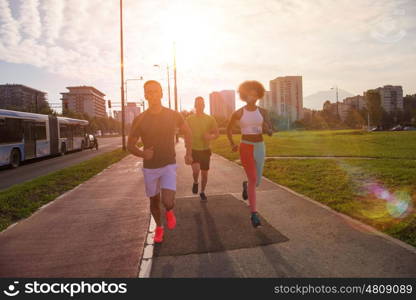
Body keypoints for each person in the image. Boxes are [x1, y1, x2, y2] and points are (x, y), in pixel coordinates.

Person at [127, 80, 193, 243]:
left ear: (161, 93)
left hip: (168, 164)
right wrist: (143, 154)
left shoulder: (173, 114)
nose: (152, 94)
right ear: (145, 95)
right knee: (154, 201)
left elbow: (188, 132)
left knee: (167, 201)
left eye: (155, 91)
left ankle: (169, 211)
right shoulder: (140, 119)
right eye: (149, 92)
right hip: (150, 167)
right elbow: (130, 145)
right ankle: (159, 227)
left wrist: (189, 153)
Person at [226, 80, 273, 228]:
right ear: (244, 95)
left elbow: (268, 127)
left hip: (260, 146)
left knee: (256, 182)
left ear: (258, 95)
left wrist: (269, 130)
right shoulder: (239, 112)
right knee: (253, 179)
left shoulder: (263, 112)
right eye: (249, 94)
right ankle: (254, 213)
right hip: (245, 146)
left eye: (255, 94)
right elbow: (229, 129)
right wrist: (233, 144)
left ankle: (246, 185)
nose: (252, 97)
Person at [186, 97, 219, 201]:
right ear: (195, 106)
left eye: (202, 104)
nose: (200, 106)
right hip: (194, 149)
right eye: (198, 104)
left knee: (204, 174)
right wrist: (188, 153)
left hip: (205, 150)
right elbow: (186, 135)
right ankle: (195, 182)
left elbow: (216, 133)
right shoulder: (189, 119)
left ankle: (202, 192)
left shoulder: (210, 119)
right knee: (196, 171)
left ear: (204, 105)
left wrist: (211, 137)